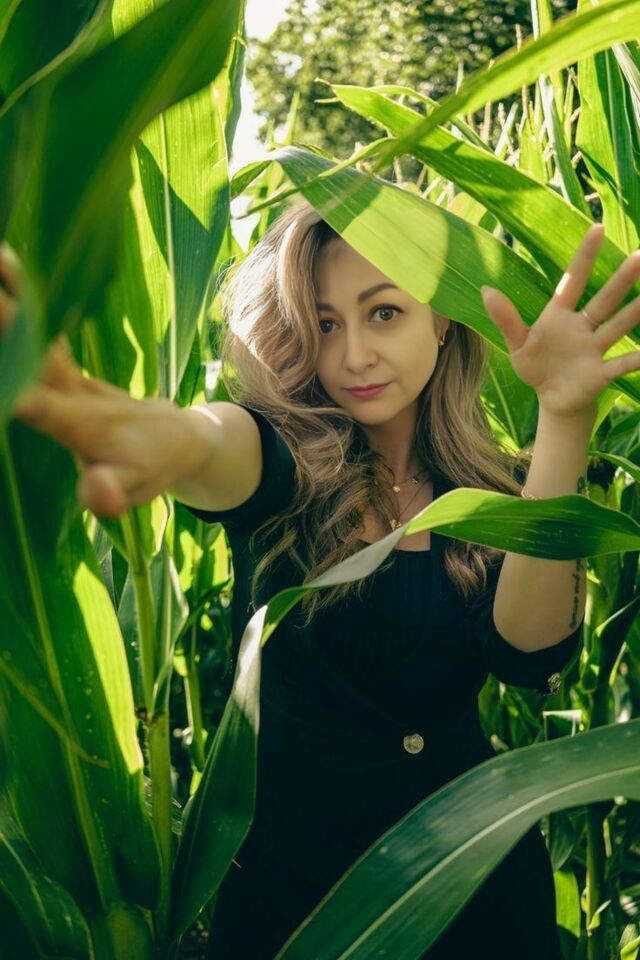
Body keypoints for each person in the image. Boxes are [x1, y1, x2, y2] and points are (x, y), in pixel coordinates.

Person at [3, 198, 638, 959]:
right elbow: (208, 443)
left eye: (383, 313)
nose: (353, 356)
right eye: (325, 324)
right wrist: (142, 432)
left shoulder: (493, 493)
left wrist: (564, 418)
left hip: (475, 886)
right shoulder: (284, 463)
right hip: (300, 905)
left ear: (441, 318)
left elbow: (529, 654)